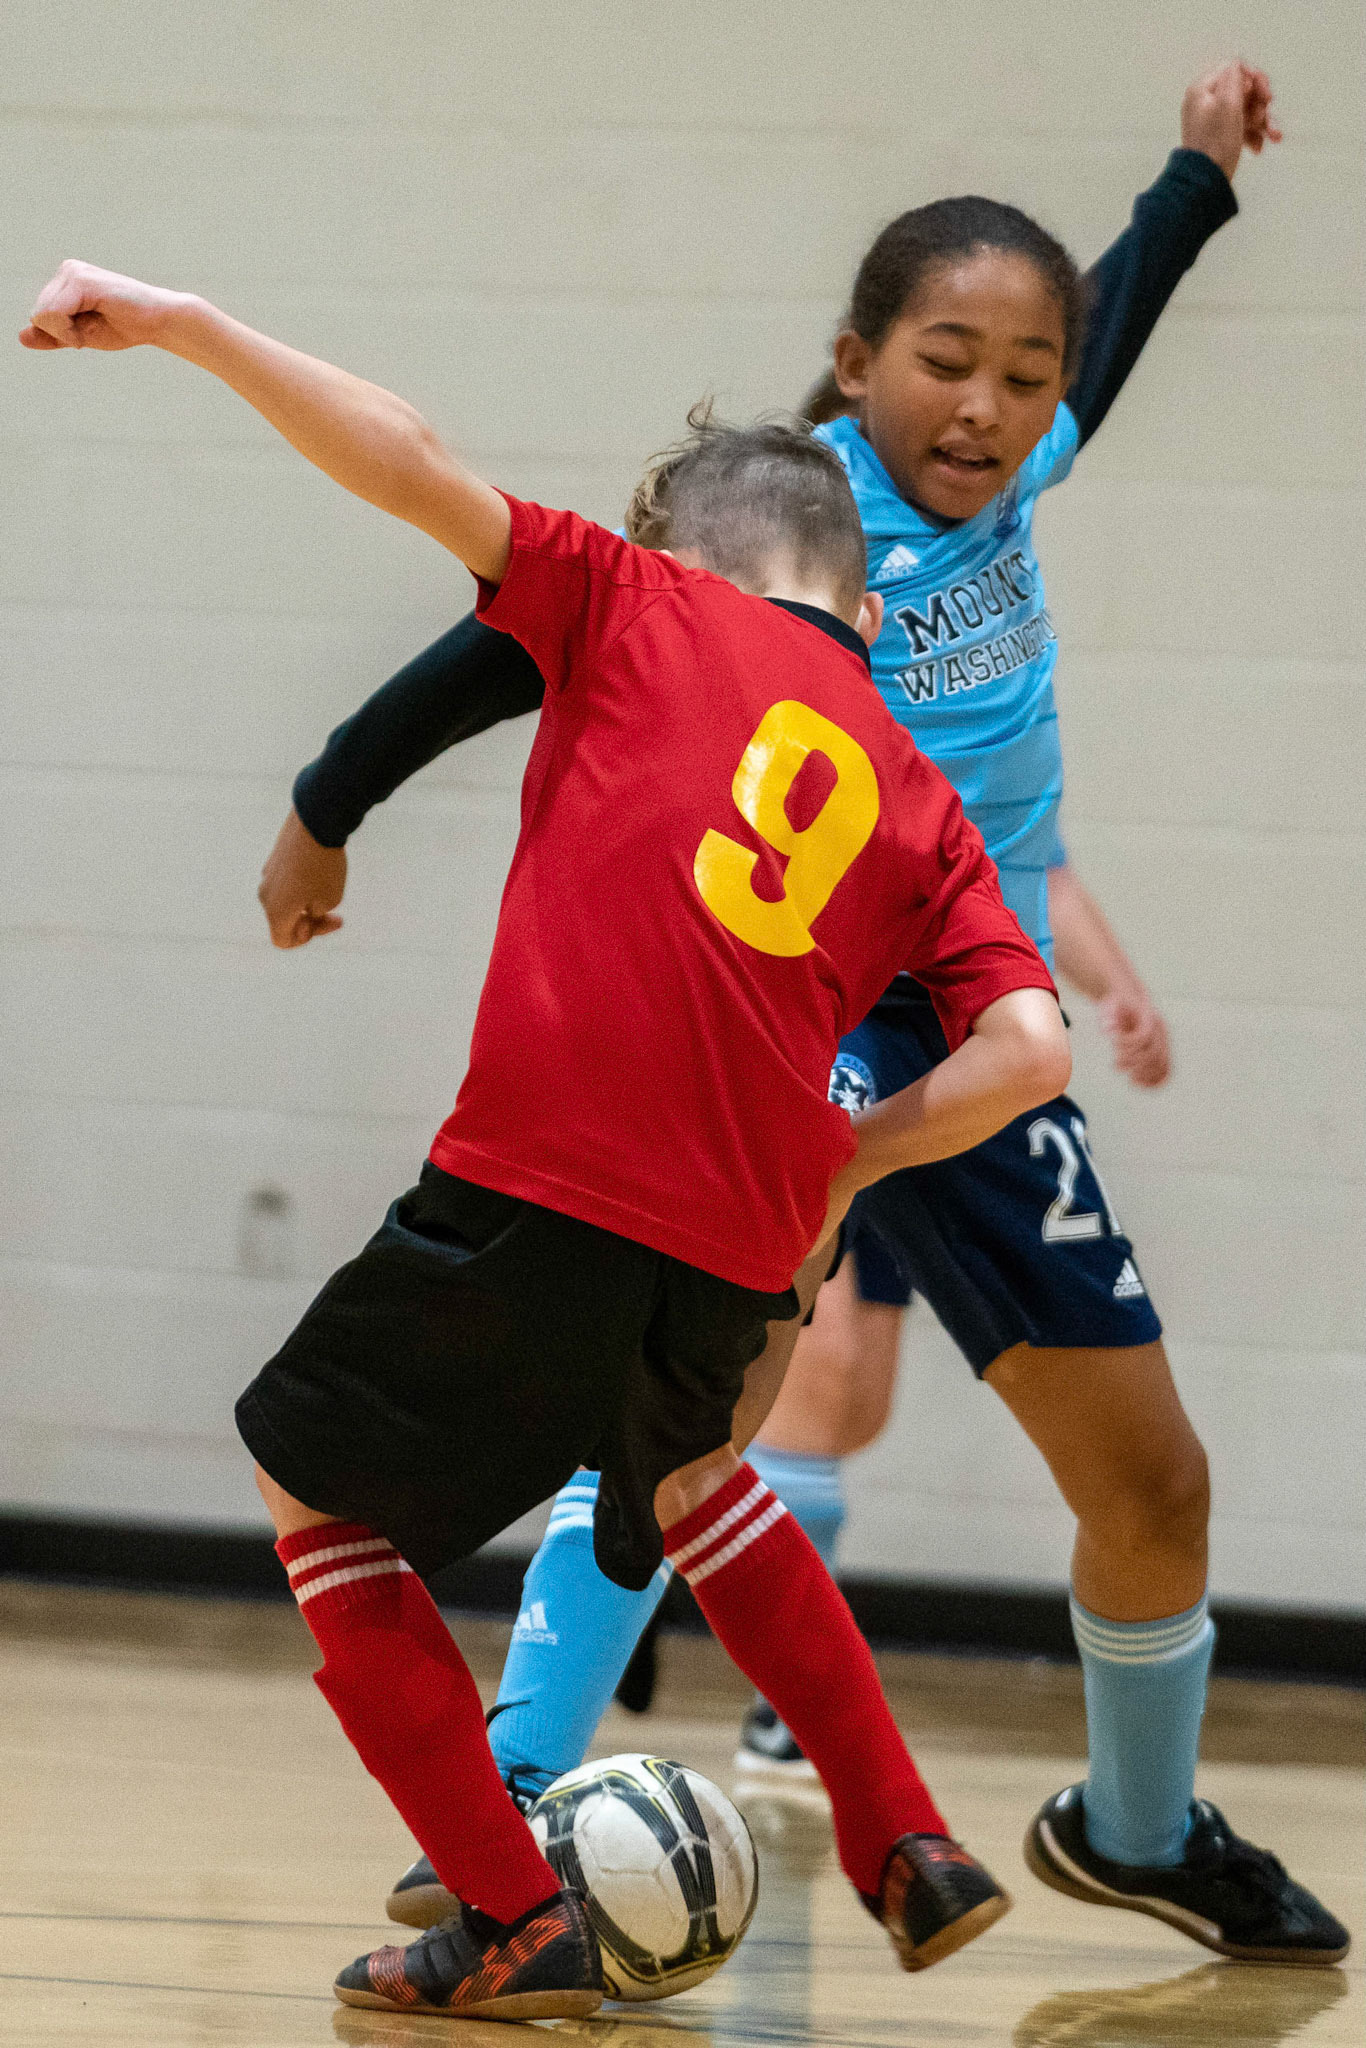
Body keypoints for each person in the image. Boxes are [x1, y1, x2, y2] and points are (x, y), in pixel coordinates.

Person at [259, 62, 1348, 1969]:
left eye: (1023, 376)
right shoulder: (780, 526)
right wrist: (329, 802)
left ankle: (1137, 1821)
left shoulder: (1025, 459)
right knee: (674, 1409)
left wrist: (1194, 174)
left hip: (975, 1012)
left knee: (1154, 1477)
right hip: (807, 1014)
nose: (989, 406)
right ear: (855, 362)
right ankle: (512, 1794)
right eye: (948, 361)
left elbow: (1119, 317)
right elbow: (493, 642)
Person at [23, 261, 1073, 2014]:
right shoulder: (914, 785)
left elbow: (407, 454)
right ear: (867, 607)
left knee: (313, 1496)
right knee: (688, 1478)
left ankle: (512, 1916)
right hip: (743, 1240)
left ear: (694, 551)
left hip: (544, 1179)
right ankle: (905, 1833)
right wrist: (845, 1158)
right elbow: (1028, 1048)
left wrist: (185, 320)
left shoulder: (628, 594)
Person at [735, 843, 1173, 1780]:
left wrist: (1117, 988)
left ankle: (674, 1571)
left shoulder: (994, 719)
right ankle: (773, 1686)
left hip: (951, 1067)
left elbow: (1040, 858)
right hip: (830, 1026)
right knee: (807, 1384)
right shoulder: (848, 712)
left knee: (853, 1404)